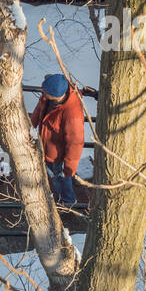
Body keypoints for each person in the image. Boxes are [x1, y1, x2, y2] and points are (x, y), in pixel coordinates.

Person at [30, 73, 84, 205]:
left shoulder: (72, 113)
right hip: (48, 149)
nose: (42, 93)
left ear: (55, 95)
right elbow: (39, 110)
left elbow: (75, 143)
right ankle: (71, 181)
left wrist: (69, 168)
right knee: (61, 177)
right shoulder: (49, 96)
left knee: (60, 179)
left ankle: (67, 202)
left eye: (45, 92)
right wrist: (31, 126)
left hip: (58, 156)